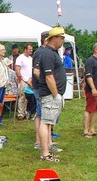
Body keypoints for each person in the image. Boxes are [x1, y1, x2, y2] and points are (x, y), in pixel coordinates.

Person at [34, 27, 67, 162]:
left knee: (48, 122)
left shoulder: (52, 53)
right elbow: (48, 76)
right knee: (45, 122)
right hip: (49, 94)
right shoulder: (47, 53)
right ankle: (45, 153)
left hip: (52, 94)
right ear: (54, 38)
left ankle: (47, 150)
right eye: (62, 38)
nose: (63, 41)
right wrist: (56, 94)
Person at [15, 43, 34, 120]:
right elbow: (17, 69)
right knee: (22, 97)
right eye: (29, 49)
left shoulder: (31, 58)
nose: (31, 51)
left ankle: (28, 112)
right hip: (23, 80)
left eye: (32, 49)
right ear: (25, 49)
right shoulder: (20, 58)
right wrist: (20, 79)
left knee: (29, 98)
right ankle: (20, 113)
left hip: (30, 80)